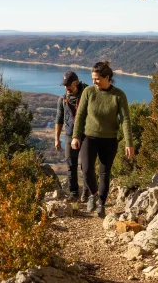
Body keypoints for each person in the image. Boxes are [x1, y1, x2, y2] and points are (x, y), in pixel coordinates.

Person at [71, 61, 135, 218]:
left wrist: (129, 143)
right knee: (86, 169)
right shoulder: (88, 92)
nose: (94, 82)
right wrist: (75, 136)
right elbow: (80, 115)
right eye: (93, 78)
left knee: (104, 173)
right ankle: (92, 194)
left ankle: (101, 204)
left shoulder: (118, 95)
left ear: (107, 77)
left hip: (109, 140)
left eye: (97, 79)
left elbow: (125, 119)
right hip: (89, 137)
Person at [54, 71, 88, 201]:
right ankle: (74, 194)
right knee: (70, 165)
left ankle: (87, 193)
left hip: (87, 135)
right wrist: (57, 139)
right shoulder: (62, 99)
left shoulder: (88, 94)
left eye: (69, 85)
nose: (66, 88)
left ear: (76, 83)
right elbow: (59, 119)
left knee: (86, 166)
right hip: (70, 135)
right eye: (65, 85)